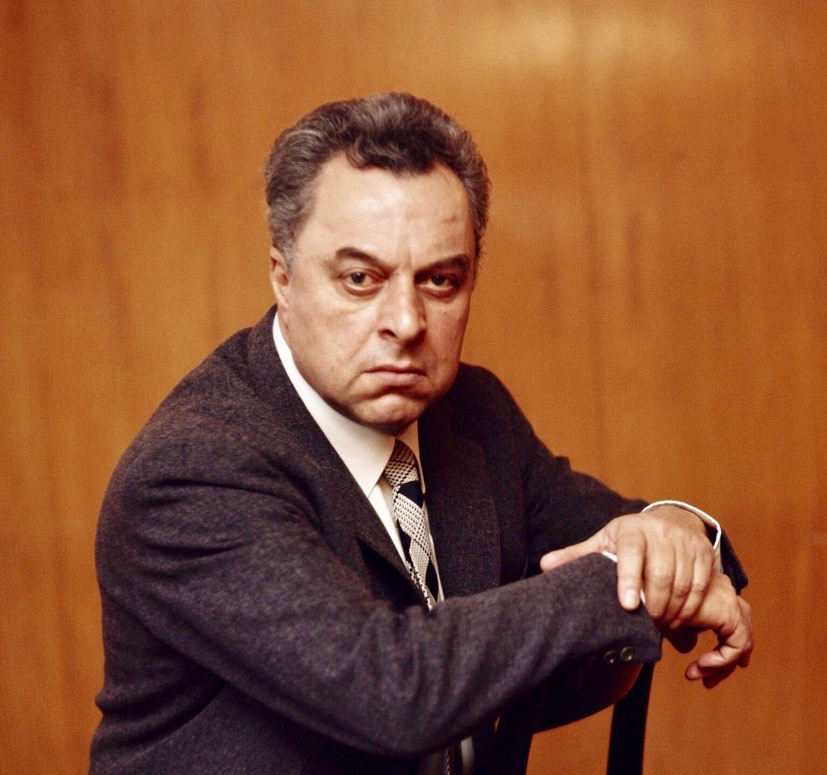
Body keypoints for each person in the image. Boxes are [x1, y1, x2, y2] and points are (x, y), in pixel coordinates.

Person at [90, 93, 752, 775]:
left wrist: (674, 529)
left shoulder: (472, 412)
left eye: (439, 280)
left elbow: (622, 530)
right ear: (282, 278)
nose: (406, 323)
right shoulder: (193, 468)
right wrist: (618, 580)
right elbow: (388, 691)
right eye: (360, 279)